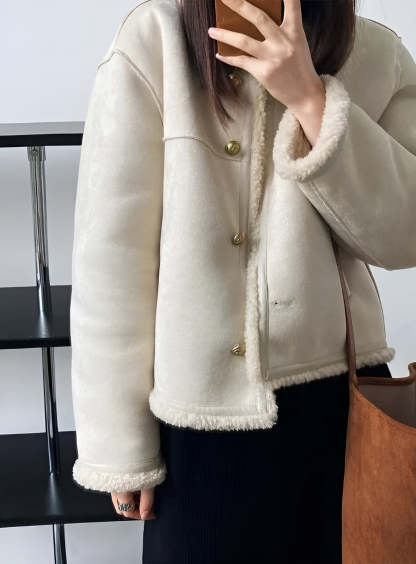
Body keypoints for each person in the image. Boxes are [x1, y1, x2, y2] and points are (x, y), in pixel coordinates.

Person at [69, 0, 416, 562]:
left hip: (344, 408)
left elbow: (405, 237)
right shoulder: (156, 41)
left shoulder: (376, 53)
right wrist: (119, 445)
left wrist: (310, 99)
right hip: (198, 425)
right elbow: (111, 261)